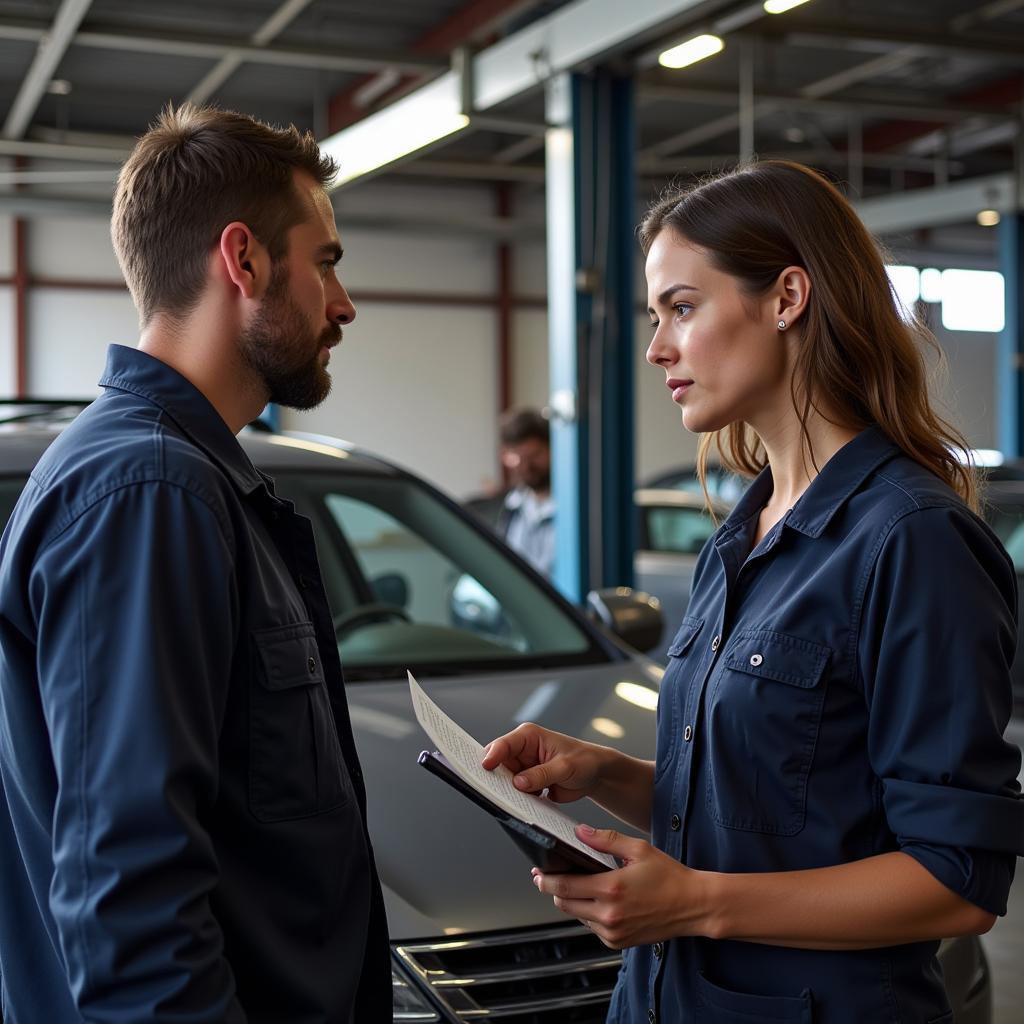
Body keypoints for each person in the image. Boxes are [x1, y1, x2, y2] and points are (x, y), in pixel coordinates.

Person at [481, 160, 1024, 1023]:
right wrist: (605, 773)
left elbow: (955, 881)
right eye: (656, 318)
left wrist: (695, 901)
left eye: (682, 308)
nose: (658, 347)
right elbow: (780, 802)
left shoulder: (910, 540)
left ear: (787, 298)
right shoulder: (742, 533)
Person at [0, 105, 390, 1022]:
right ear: (243, 260)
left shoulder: (179, 476)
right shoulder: (151, 490)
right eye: (327, 261)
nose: (345, 303)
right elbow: (129, 895)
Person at [496, 407, 555, 577]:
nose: (527, 466)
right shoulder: (508, 508)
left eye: (535, 455)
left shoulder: (573, 508)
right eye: (519, 457)